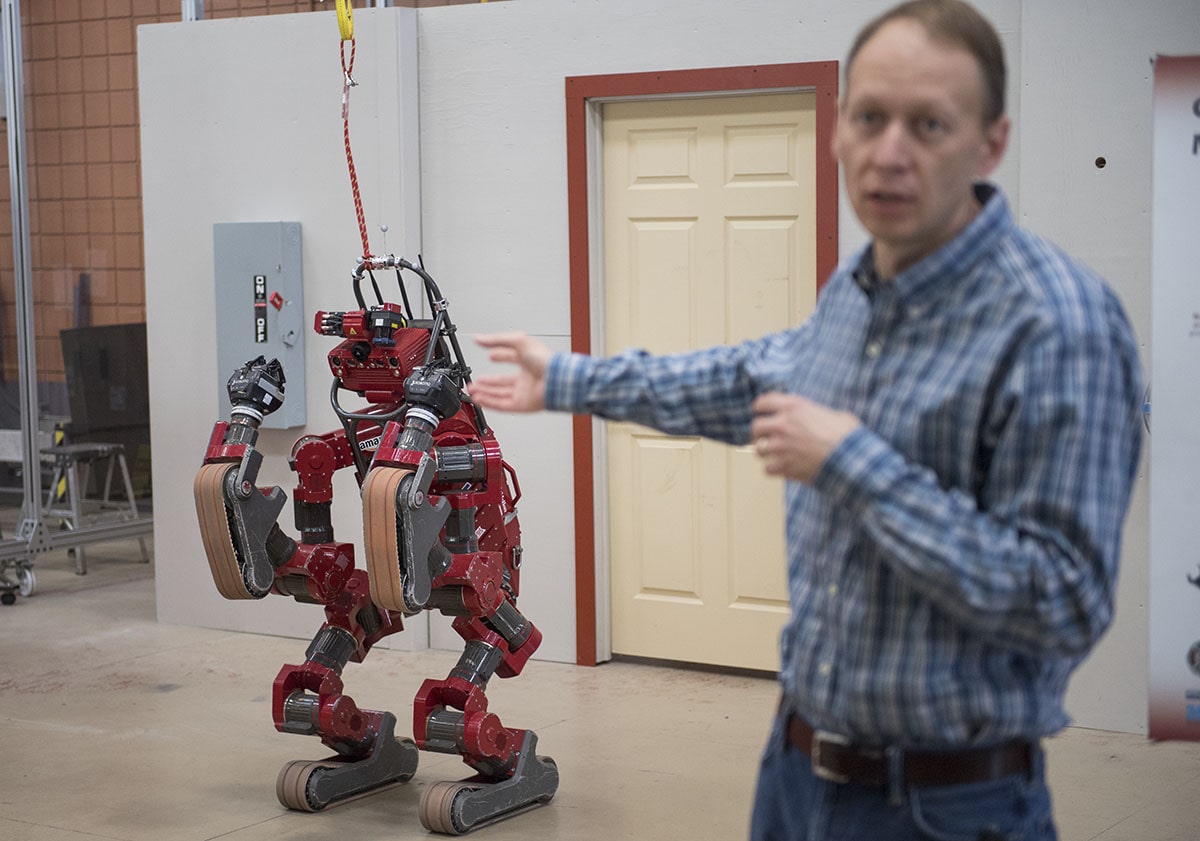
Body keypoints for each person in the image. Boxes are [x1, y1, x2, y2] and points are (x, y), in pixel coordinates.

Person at [467, 1, 1144, 838]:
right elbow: (751, 379)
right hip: (795, 773)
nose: (890, 152)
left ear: (990, 143)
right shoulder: (861, 288)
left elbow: (1062, 599)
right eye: (870, 117)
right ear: (837, 130)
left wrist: (853, 464)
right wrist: (569, 378)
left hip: (944, 805)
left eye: (929, 124)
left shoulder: (1058, 325)